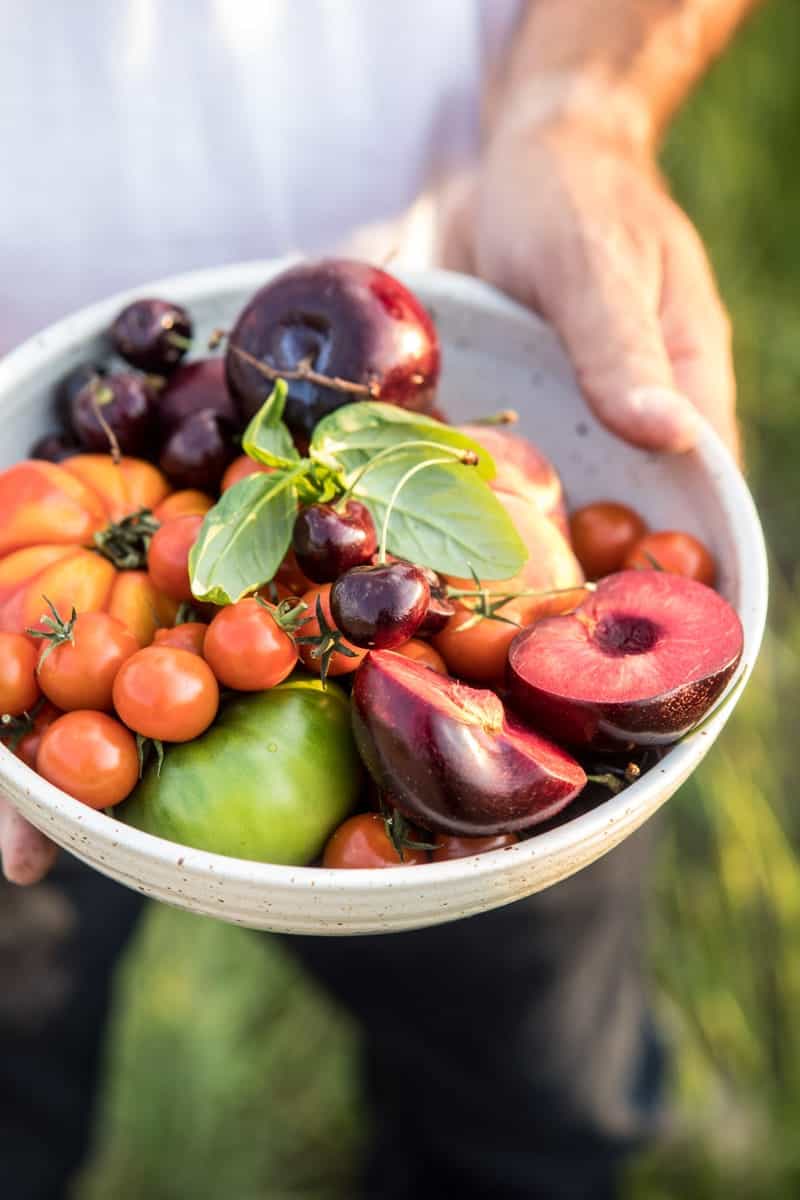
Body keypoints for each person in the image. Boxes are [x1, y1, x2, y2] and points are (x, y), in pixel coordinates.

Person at [0, 2, 755, 1197]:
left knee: (531, 1129)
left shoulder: (473, 622)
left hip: (454, 298)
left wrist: (580, 113)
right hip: (57, 498)